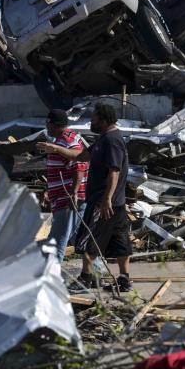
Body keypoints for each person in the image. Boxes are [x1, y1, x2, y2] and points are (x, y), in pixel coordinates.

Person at [37, 102, 131, 292]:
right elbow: (82, 157)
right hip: (113, 202)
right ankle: (123, 279)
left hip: (103, 201)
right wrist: (55, 149)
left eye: (94, 118)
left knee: (87, 239)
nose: (91, 122)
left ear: (103, 120)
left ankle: (86, 279)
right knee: (119, 240)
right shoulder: (103, 139)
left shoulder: (111, 140)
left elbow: (114, 171)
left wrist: (106, 199)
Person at [42, 109, 88, 262]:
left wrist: (73, 193)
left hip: (67, 199)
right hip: (66, 197)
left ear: (54, 124)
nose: (46, 127)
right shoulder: (65, 138)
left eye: (47, 124)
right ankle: (96, 272)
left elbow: (79, 165)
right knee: (78, 238)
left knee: (55, 242)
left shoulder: (67, 141)